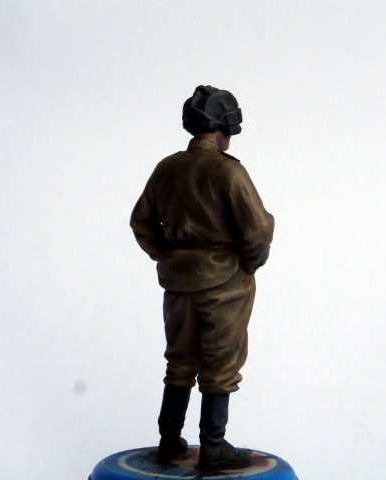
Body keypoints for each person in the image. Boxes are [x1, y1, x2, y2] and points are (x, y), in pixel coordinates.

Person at [130, 85, 274, 471]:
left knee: (179, 360)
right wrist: (248, 264)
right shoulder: (229, 171)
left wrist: (167, 256)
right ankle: (213, 445)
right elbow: (258, 230)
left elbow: (141, 221)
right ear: (223, 129)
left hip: (178, 284)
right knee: (221, 363)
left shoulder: (167, 168)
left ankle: (168, 440)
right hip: (225, 283)